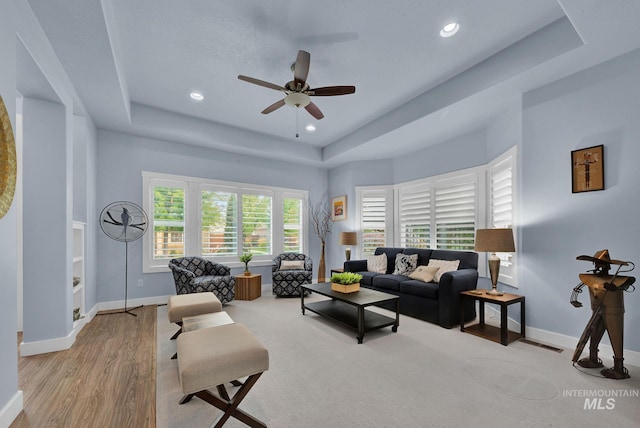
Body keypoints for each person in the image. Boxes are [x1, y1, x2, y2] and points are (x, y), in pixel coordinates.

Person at [571, 249, 635, 379]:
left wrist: (616, 287)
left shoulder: (616, 280)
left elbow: (629, 282)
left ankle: (618, 367)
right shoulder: (590, 278)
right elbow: (577, 290)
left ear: (607, 266)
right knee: (594, 334)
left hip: (613, 311)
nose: (598, 267)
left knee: (616, 337)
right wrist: (574, 300)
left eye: (601, 264)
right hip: (596, 310)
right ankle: (593, 358)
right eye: (596, 264)